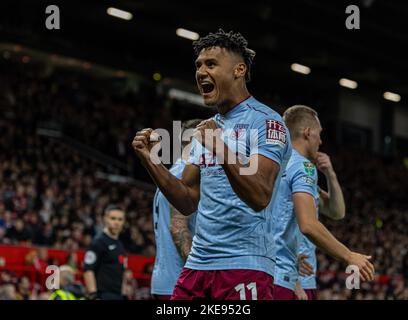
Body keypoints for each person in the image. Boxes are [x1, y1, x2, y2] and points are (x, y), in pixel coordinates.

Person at [132, 29, 292, 300]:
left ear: (238, 70)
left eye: (211, 64)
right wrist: (151, 161)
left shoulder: (267, 122)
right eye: (198, 65)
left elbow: (260, 196)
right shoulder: (208, 130)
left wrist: (220, 148)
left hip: (245, 264)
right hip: (197, 265)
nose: (201, 71)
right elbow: (186, 201)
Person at [271, 105, 375, 300]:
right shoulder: (303, 167)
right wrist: (349, 255)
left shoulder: (275, 164)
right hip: (289, 277)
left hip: (274, 272)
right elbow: (309, 225)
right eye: (319, 134)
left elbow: (336, 212)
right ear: (308, 132)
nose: (321, 140)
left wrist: (330, 175)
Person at [150, 119, 201, 300]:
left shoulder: (172, 173)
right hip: (181, 283)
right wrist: (199, 270)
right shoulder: (183, 175)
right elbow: (178, 227)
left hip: (165, 279)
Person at [83, 205, 127, 300]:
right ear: (105, 219)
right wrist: (93, 295)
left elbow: (122, 272)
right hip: (102, 295)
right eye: (113, 218)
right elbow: (88, 270)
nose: (116, 222)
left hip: (117, 295)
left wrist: (124, 295)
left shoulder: (120, 245)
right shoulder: (98, 242)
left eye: (120, 219)